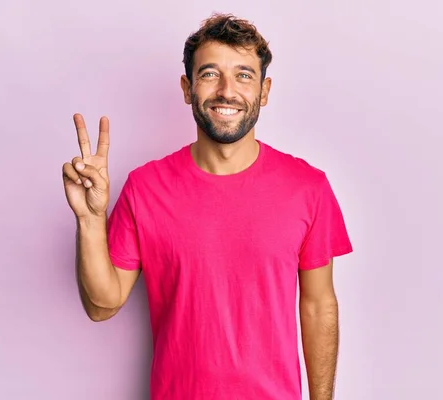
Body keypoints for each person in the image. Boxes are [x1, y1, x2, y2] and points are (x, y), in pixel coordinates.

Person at [62, 13, 353, 400]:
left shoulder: (308, 188)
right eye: (210, 73)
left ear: (264, 91)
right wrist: (90, 219)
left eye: (244, 75)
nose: (227, 90)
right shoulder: (146, 187)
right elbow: (102, 305)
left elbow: (318, 306)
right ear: (188, 87)